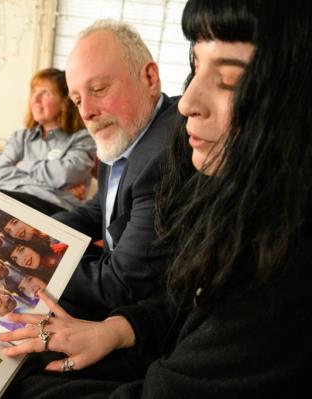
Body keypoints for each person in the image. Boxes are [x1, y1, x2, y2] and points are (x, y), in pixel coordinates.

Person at [0, 0, 312, 397]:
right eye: (195, 66)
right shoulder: (255, 195)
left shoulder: (304, 270)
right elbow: (189, 300)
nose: (189, 103)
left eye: (229, 79)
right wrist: (122, 328)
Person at [53, 19, 193, 319]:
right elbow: (99, 209)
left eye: (99, 89)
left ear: (150, 77)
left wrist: (32, 262)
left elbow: (119, 287)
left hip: (139, 312)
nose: (87, 112)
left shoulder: (166, 154)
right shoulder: (126, 132)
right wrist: (37, 232)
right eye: (77, 100)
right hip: (110, 271)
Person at [0, 68, 97, 214]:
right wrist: (56, 190)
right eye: (34, 92)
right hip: (15, 202)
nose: (35, 99)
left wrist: (23, 166)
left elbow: (67, 174)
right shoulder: (19, 137)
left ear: (64, 103)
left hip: (54, 210)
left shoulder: (83, 138)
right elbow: (0, 175)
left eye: (45, 93)